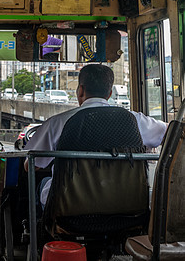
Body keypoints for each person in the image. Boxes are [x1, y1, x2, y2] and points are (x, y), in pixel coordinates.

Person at [24, 64, 168, 209]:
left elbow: (30, 166)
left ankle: (39, 230)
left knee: (43, 184)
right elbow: (170, 132)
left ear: (80, 91)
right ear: (109, 93)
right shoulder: (135, 120)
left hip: (71, 211)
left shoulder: (57, 123)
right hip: (126, 207)